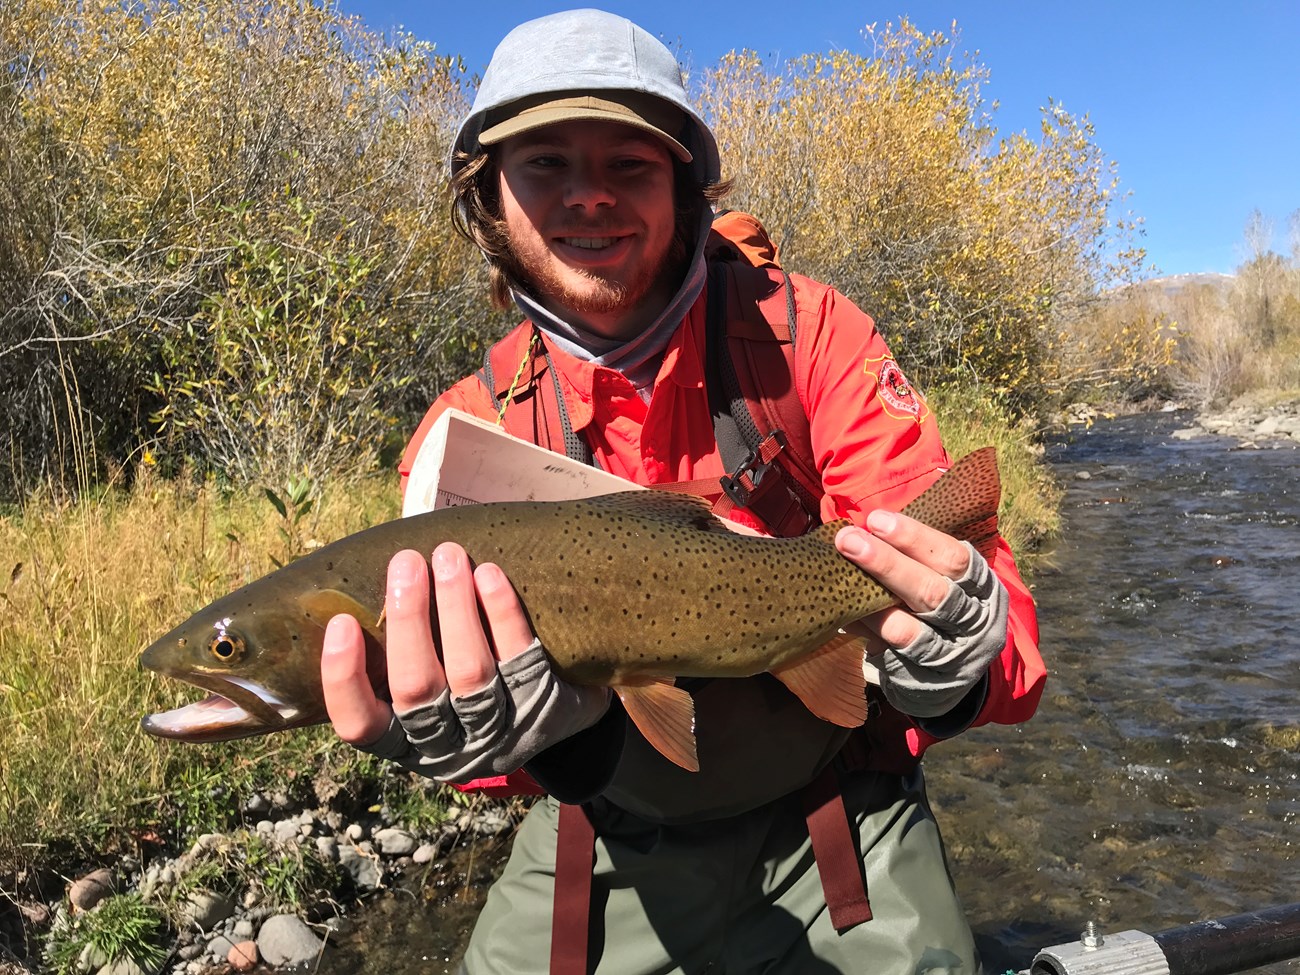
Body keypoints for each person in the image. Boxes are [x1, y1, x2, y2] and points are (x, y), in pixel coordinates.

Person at [320, 9, 1045, 975]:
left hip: (836, 805)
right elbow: (482, 761)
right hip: (609, 830)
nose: (589, 197)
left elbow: (998, 634)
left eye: (629, 164)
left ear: (684, 188)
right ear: (488, 196)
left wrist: (961, 660)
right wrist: (530, 749)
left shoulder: (810, 337)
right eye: (545, 164)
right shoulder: (468, 436)